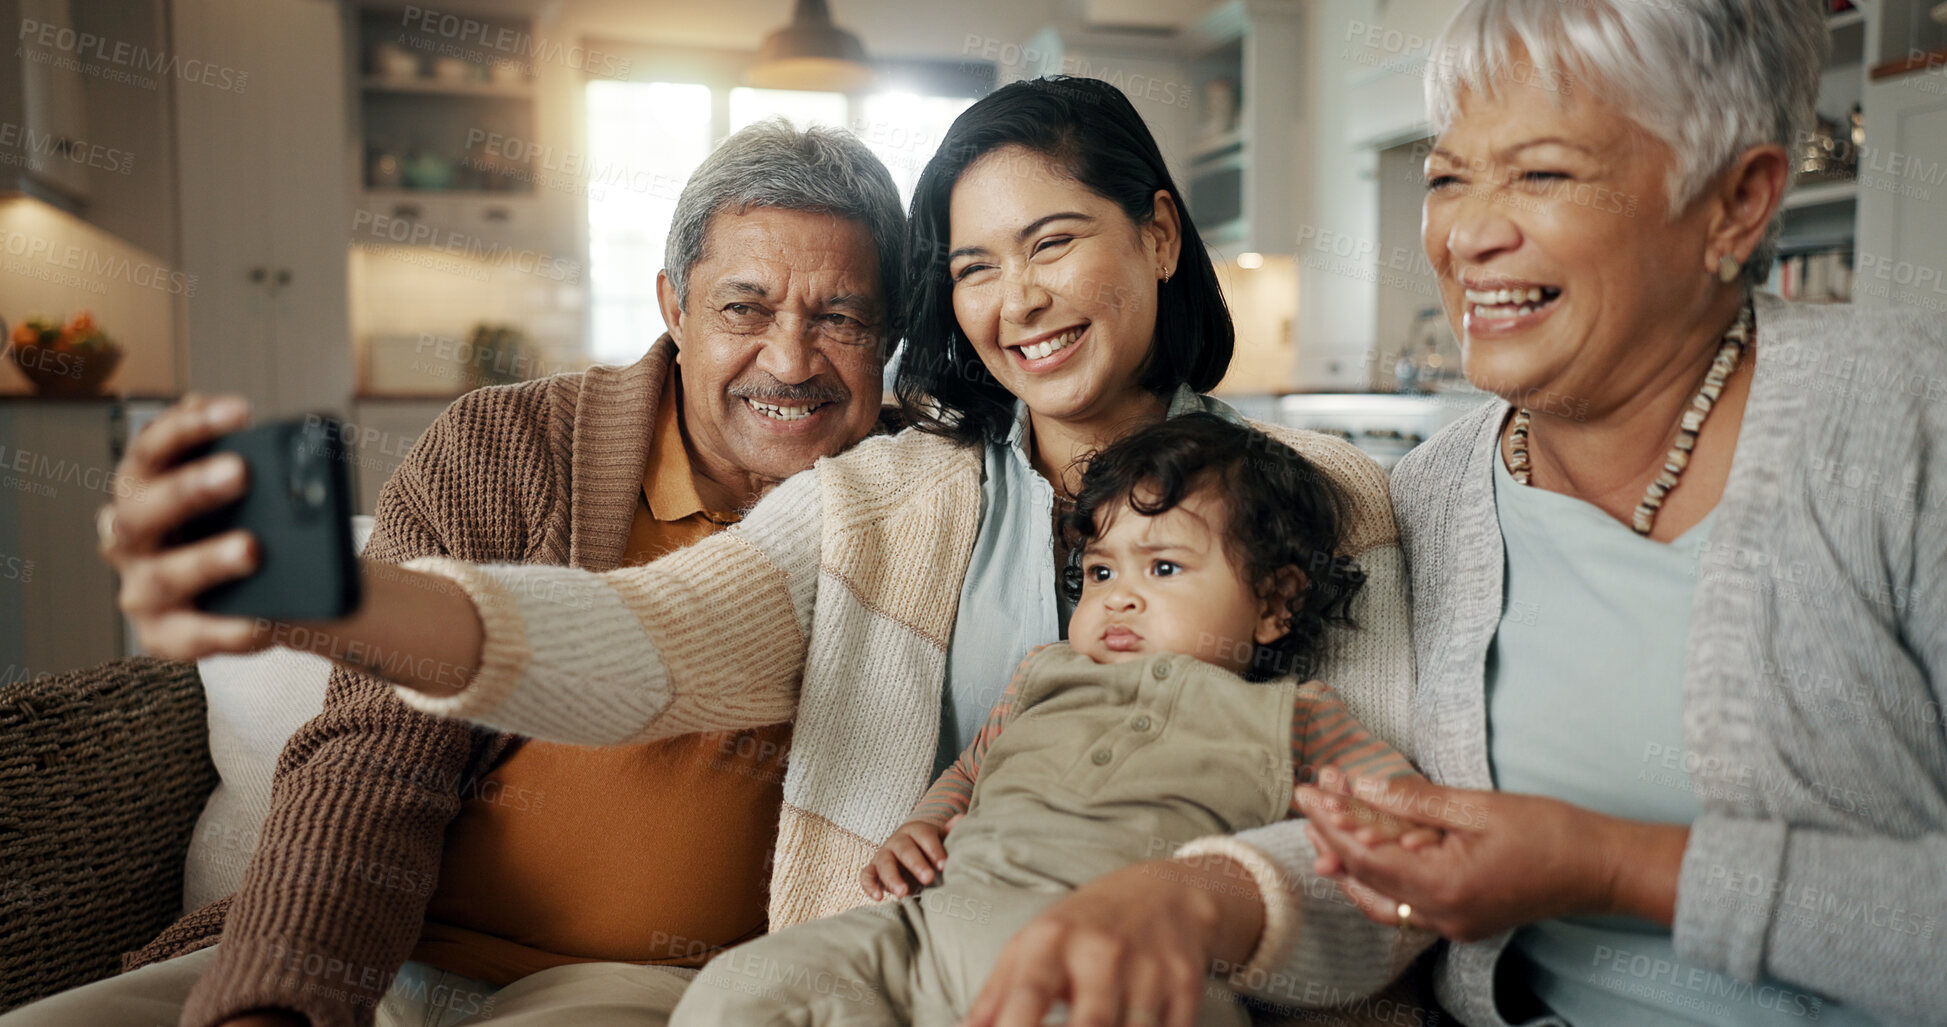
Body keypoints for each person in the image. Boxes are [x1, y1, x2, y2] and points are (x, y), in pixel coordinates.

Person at [101, 77, 1426, 1025]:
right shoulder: (888, 490)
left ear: (1154, 232)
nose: (1014, 297)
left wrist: (1192, 908)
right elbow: (647, 638)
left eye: (1052, 241)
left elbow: (1385, 866)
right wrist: (336, 593)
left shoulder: (1323, 499)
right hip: (884, 967)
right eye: (971, 264)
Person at [29, 119, 904, 1027]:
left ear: (889, 335)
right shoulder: (506, 445)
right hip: (368, 938)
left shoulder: (923, 507)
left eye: (840, 317)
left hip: (631, 987)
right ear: (674, 308)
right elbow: (374, 750)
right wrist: (279, 999)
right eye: (744, 308)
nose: (792, 360)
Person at [1291, 1, 1947, 1025]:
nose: (1467, 233)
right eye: (1447, 178)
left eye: (1541, 173)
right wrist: (1180, 899)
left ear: (1738, 202)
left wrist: (1615, 867)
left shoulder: (1910, 431)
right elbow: (1346, 826)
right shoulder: (1417, 501)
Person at [668, 413, 1428, 1027]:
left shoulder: (1289, 715)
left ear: (1274, 603)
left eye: (1162, 567)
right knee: (743, 987)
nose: (1119, 596)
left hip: (1106, 956)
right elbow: (968, 771)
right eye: (1101, 571)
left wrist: (1397, 827)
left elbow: (1402, 814)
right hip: (926, 930)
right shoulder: (1043, 672)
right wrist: (921, 824)